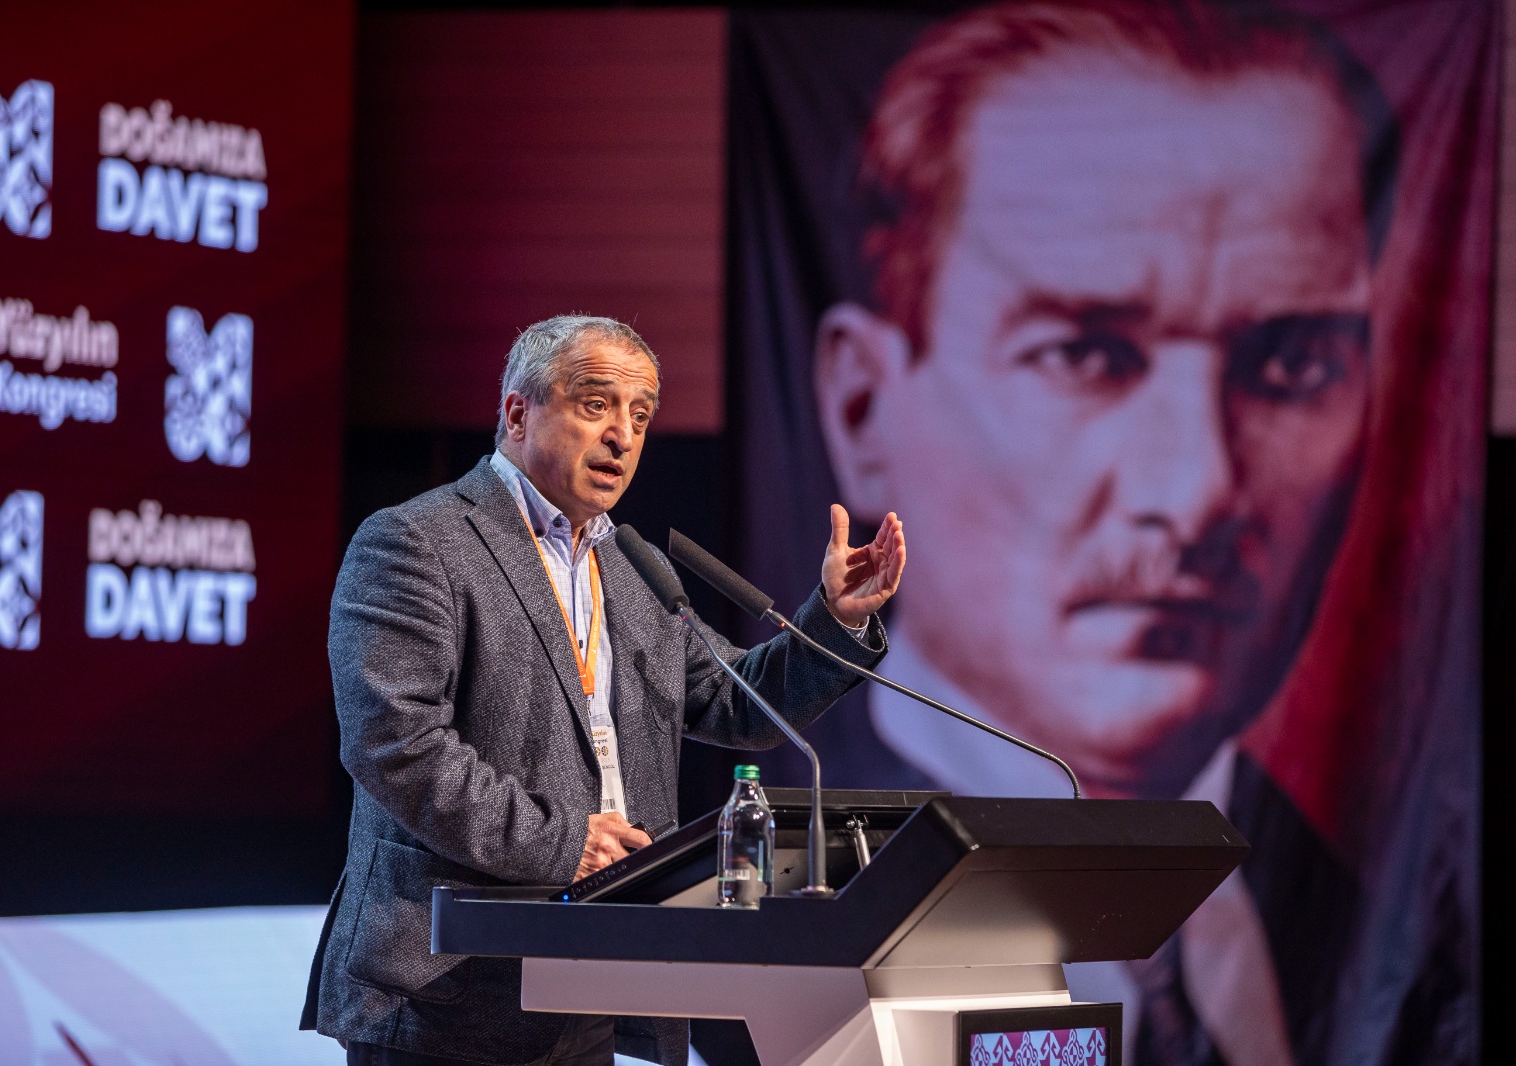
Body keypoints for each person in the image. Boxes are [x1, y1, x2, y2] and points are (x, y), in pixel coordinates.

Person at [810, 3, 1402, 1064]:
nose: (1199, 490)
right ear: (864, 409)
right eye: (1082, 354)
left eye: (1290, 363)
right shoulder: (784, 907)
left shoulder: (1390, 927)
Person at [302, 315, 906, 1066]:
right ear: (518, 413)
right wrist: (563, 845)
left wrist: (835, 623)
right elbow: (397, 748)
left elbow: (736, 701)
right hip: (449, 988)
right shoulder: (416, 543)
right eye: (596, 405)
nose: (623, 435)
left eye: (641, 415)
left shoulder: (629, 565)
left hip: (590, 975)